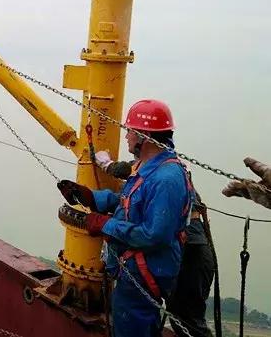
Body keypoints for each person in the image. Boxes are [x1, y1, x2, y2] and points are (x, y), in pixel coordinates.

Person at [57, 99, 193, 337]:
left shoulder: (166, 179)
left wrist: (106, 225)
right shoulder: (148, 166)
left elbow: (154, 235)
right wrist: (90, 198)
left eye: (129, 130)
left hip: (144, 272)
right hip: (134, 269)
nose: (126, 136)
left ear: (143, 135)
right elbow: (128, 201)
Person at [95, 150, 214, 337]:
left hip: (189, 250)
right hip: (189, 248)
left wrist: (106, 164)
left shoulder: (163, 177)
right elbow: (126, 198)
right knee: (172, 315)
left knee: (187, 320)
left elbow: (125, 172)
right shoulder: (164, 173)